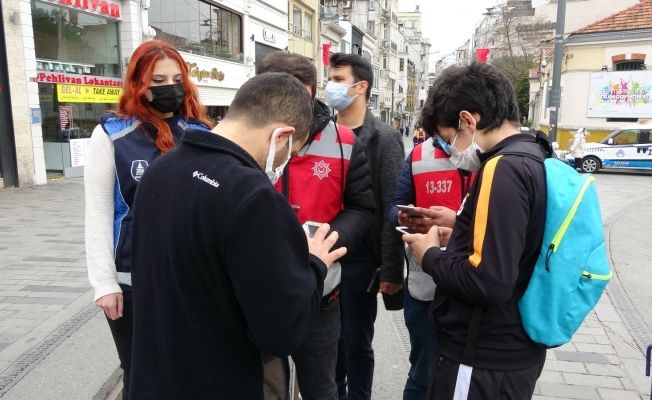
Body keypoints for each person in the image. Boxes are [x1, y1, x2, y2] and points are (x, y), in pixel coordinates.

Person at [128, 73, 348, 399]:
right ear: (282, 135)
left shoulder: (160, 169)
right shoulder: (252, 196)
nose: (284, 163)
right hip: (217, 382)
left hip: (153, 379)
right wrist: (313, 263)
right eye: (292, 151)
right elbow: (281, 333)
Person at [402, 62, 551, 400]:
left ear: (468, 120)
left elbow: (489, 282)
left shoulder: (502, 168)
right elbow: (515, 241)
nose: (453, 151)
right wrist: (459, 228)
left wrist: (431, 257)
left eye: (450, 139)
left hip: (481, 356)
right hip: (508, 348)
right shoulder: (532, 155)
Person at [84, 40, 213, 400]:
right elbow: (97, 212)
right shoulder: (111, 134)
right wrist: (104, 284)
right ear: (138, 81)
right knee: (139, 374)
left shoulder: (201, 135)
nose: (169, 87)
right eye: (157, 79)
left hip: (189, 280)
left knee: (187, 370)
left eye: (176, 78)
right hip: (130, 283)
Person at [257, 52, 375, 400]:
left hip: (321, 292)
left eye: (301, 98)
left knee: (321, 387)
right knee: (263, 387)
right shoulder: (244, 140)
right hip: (256, 295)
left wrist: (327, 240)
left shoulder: (344, 142)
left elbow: (361, 208)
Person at [326, 52, 405, 400]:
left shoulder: (383, 139)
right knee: (328, 343)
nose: (331, 86)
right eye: (330, 78)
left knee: (356, 341)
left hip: (361, 259)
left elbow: (392, 207)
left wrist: (390, 269)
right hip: (323, 253)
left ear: (361, 86)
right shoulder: (322, 134)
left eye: (338, 79)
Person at [389, 130, 473, 400]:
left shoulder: (491, 158)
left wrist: (456, 221)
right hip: (424, 286)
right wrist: (404, 217)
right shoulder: (419, 154)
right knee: (422, 373)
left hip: (472, 287)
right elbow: (394, 212)